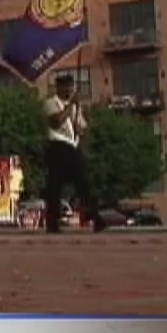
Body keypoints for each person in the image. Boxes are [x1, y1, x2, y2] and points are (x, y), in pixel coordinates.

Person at [43, 72, 105, 233]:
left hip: (72, 147)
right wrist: (70, 106)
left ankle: (94, 215)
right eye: (66, 86)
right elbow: (55, 122)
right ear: (58, 87)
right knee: (54, 186)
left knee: (84, 182)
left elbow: (81, 127)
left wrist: (80, 127)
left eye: (71, 86)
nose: (69, 90)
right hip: (57, 146)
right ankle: (52, 221)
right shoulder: (51, 103)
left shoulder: (76, 107)